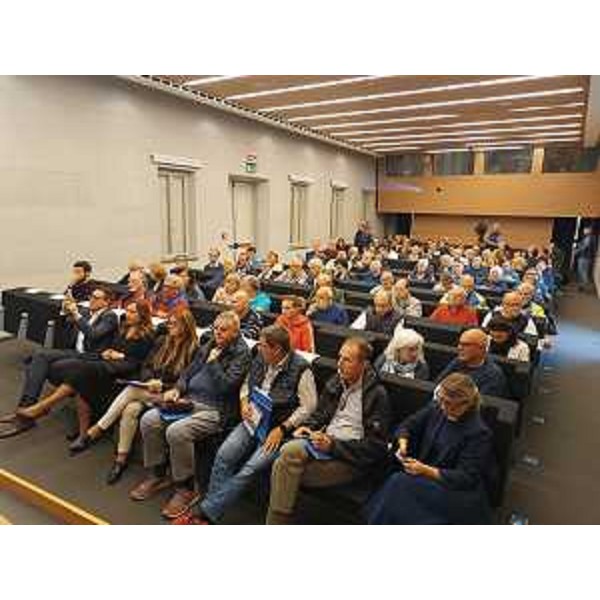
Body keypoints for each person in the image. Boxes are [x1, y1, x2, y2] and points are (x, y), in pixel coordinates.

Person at [173, 325, 319, 524]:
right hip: (253, 419)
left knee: (250, 469)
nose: (259, 348)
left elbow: (309, 406)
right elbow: (246, 384)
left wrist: (283, 428)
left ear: (277, 349)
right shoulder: (260, 358)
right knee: (224, 455)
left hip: (277, 428)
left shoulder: (301, 368)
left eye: (264, 346)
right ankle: (212, 511)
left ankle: (206, 513)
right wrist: (243, 403)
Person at [130, 311, 252, 519]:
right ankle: (158, 473)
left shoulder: (242, 354)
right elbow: (188, 372)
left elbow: (227, 387)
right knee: (149, 420)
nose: (217, 333)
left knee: (177, 432)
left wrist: (213, 363)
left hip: (216, 410)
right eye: (215, 328)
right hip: (189, 400)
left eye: (223, 330)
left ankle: (187, 487)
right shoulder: (210, 344)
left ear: (235, 332)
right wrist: (178, 388)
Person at [266, 337, 391, 524]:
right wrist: (306, 427)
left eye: (347, 360)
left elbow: (375, 447)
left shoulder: (377, 395)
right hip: (322, 442)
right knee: (288, 453)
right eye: (339, 357)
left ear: (364, 364)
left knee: (283, 468)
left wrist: (333, 446)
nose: (339, 364)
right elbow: (319, 415)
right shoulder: (337, 380)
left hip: (349, 459)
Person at [72, 309, 200, 483]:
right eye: (169, 322)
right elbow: (146, 366)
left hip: (170, 394)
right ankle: (120, 460)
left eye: (174, 323)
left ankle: (96, 430)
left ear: (185, 325)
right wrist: (149, 380)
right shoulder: (162, 341)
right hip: (149, 390)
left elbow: (187, 380)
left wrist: (163, 385)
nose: (169, 325)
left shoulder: (193, 350)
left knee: (131, 390)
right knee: (129, 410)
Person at [12, 300, 155, 442]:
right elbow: (113, 347)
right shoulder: (123, 327)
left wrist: (121, 356)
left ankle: (41, 408)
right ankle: (75, 429)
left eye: (132, 312)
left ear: (142, 315)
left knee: (82, 370)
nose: (127, 314)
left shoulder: (147, 335)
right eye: (127, 310)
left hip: (121, 372)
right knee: (78, 375)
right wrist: (109, 352)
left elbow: (137, 362)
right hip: (107, 363)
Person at [367, 373, 494, 524]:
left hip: (452, 490)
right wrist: (403, 445)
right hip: (427, 475)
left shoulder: (478, 433)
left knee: (398, 483)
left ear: (465, 404)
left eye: (448, 403)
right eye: (441, 400)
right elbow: (408, 425)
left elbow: (466, 478)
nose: (443, 407)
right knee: (395, 483)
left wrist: (425, 470)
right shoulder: (437, 409)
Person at [0, 286, 120, 438]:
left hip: (91, 357)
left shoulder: (110, 316)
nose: (91, 300)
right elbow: (68, 322)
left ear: (106, 302)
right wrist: (66, 310)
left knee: (49, 365)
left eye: (96, 298)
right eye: (91, 296)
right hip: (75, 352)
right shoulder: (86, 312)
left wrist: (75, 314)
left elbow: (93, 334)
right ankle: (26, 409)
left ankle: (26, 415)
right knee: (40, 355)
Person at [435, 329, 509, 397]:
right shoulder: (457, 361)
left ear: (481, 348)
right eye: (460, 344)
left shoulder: (494, 375)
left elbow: (479, 402)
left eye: (466, 345)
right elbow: (438, 384)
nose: (460, 348)